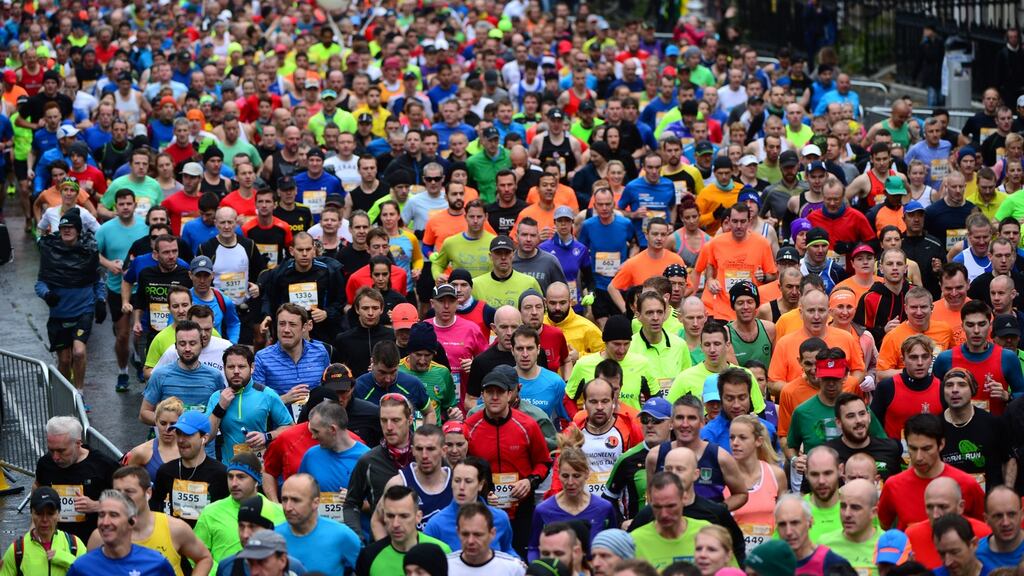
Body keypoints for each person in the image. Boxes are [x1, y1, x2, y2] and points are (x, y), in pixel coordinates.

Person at [465, 364, 553, 557]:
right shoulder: (470, 426)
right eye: (490, 392)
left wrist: (529, 481)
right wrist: (481, 492)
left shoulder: (528, 425)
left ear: (509, 394)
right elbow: (463, 469)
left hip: (521, 506)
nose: (495, 397)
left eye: (500, 392)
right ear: (482, 395)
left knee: (521, 558)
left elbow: (544, 462)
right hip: (484, 507)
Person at [98, 466, 214, 576]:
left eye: (129, 491)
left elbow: (204, 558)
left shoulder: (174, 528)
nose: (122, 498)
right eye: (117, 492)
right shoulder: (102, 536)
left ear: (148, 493)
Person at [878, 414, 986, 530]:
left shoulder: (967, 484)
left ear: (941, 444)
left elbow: (984, 530)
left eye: (926, 449)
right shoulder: (893, 485)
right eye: (913, 448)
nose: (919, 457)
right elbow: (880, 529)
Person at [36, 207, 103, 392]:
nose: (66, 230)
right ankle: (66, 394)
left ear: (78, 230)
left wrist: (101, 300)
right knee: (64, 360)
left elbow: (97, 280)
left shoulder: (89, 250)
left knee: (79, 352)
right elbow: (40, 283)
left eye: (71, 227)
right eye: (63, 227)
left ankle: (79, 394)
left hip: (83, 311)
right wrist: (47, 294)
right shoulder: (50, 251)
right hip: (59, 313)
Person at [645, 394, 748, 511]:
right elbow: (651, 496)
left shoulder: (720, 457)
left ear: (702, 422)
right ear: (671, 422)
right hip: (669, 522)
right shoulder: (655, 456)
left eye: (691, 418)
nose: (685, 424)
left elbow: (741, 494)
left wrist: (717, 512)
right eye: (680, 418)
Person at [527, 435, 617, 561]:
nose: (570, 482)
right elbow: (533, 548)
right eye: (565, 476)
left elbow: (613, 546)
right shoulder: (543, 510)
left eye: (576, 476)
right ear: (558, 474)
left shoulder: (604, 508)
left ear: (587, 474)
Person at [95, 188, 150, 392]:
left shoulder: (145, 227)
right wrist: (109, 264)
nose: (125, 207)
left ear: (135, 205)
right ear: (115, 206)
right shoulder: (105, 229)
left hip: (141, 288)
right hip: (116, 288)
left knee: (140, 333)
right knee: (122, 335)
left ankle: (139, 360)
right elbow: (93, 252)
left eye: (129, 203)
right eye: (121, 204)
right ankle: (123, 371)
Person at [343, 394, 416, 540]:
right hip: (382, 543)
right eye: (383, 420)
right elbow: (351, 504)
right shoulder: (369, 460)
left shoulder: (426, 454)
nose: (389, 427)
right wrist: (357, 537)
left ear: (409, 420)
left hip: (424, 544)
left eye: (395, 420)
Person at [35, 416, 119, 543]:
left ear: (78, 444)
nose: (55, 457)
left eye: (61, 451)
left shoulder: (104, 465)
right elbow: (37, 489)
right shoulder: (45, 464)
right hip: (55, 542)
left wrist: (97, 506)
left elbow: (127, 501)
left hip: (93, 542)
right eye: (51, 450)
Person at [933, 300, 1024, 415]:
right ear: (962, 326)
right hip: (956, 424)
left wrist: (1008, 396)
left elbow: (1021, 393)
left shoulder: (1007, 357)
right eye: (970, 325)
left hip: (996, 425)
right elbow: (933, 396)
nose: (976, 331)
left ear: (990, 325)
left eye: (981, 324)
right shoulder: (945, 358)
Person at [206, 345, 292, 463]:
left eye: (241, 366)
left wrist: (266, 436)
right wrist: (220, 407)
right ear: (224, 368)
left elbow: (291, 427)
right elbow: (206, 437)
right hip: (228, 469)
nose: (236, 371)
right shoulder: (217, 397)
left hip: (260, 469)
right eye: (231, 367)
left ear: (252, 368)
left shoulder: (266, 394)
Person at [66, 490, 176, 576]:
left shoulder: (156, 563)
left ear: (132, 521)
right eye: (101, 515)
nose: (105, 522)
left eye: (114, 515)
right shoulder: (81, 567)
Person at [149, 411, 229, 527]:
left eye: (188, 434)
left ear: (204, 438)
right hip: (174, 536)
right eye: (179, 433)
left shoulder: (221, 474)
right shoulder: (165, 471)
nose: (181, 440)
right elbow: (156, 510)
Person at [725, 414, 787, 556]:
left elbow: (784, 518)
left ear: (758, 441)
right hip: (735, 557)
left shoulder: (776, 475)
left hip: (770, 556)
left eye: (742, 437)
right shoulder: (724, 477)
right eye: (732, 437)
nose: (735, 443)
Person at [252, 304, 331, 414]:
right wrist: (284, 399)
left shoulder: (320, 352)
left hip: (316, 421)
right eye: (282, 324)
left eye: (292, 324)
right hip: (279, 422)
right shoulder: (262, 358)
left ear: (304, 327)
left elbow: (329, 392)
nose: (286, 330)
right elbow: (256, 404)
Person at [356, 485, 451, 575]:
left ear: (418, 517)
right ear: (384, 517)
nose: (395, 524)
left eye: (404, 516)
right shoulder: (369, 556)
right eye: (390, 516)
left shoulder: (442, 552)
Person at [277, 474, 361, 576]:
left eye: (296, 500)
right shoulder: (275, 536)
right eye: (284, 499)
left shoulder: (342, 535)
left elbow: (367, 569)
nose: (288, 508)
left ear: (316, 503)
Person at [939, 368, 1007, 491]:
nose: (955, 390)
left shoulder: (992, 423)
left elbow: (1005, 464)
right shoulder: (935, 427)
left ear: (972, 390)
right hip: (948, 497)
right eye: (949, 385)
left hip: (988, 498)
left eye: (962, 385)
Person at [904, 476, 991, 570]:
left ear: (961, 507)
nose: (935, 515)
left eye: (943, 507)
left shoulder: (985, 534)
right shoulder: (911, 535)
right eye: (930, 507)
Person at [630, 471, 711, 570]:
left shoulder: (705, 532)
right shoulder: (635, 541)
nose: (664, 514)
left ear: (684, 498)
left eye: (671, 506)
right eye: (657, 507)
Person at [0, 487, 87, 576]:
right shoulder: (17, 550)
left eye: (50, 513)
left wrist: (65, 559)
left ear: (58, 513)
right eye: (39, 513)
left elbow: (89, 572)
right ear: (31, 513)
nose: (44, 519)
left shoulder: (74, 545)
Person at [871, 335, 943, 439]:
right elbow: (874, 428)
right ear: (903, 360)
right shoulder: (887, 387)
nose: (920, 363)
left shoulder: (942, 388)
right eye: (913, 357)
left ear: (931, 359)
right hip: (894, 449)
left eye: (925, 357)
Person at [214, 497, 308, 576]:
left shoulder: (294, 568)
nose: (245, 534)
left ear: (269, 529)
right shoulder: (226, 567)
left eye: (252, 527)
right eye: (241, 526)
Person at [876, 287, 955, 380]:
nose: (919, 312)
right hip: (907, 387)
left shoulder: (945, 330)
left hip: (938, 386)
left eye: (923, 307)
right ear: (906, 309)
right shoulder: (892, 336)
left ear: (932, 308)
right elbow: (881, 374)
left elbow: (954, 360)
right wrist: (910, 371)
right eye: (914, 307)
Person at [826, 393, 904, 480]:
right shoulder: (828, 455)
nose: (858, 420)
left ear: (869, 416)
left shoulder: (890, 448)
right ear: (838, 423)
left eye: (862, 414)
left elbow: (898, 484)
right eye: (851, 416)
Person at [773, 493, 853, 574]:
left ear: (810, 522)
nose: (788, 532)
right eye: (782, 524)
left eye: (795, 523)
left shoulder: (832, 563)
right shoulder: (771, 563)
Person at [816, 478, 881, 573]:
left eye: (855, 508)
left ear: (873, 512)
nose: (847, 514)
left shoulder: (888, 545)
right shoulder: (824, 544)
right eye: (843, 506)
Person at [445, 503, 526, 575]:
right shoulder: (445, 567)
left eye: (478, 535)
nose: (470, 541)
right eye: (465, 534)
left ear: (492, 533)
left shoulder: (513, 569)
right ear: (458, 532)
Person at [472, 235, 543, 309]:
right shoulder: (476, 285)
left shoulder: (529, 283)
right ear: (490, 256)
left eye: (507, 253)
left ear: (513, 255)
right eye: (498, 253)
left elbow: (541, 310)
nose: (503, 257)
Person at [977, 486, 1024, 569]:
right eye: (998, 516)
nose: (1006, 523)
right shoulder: (976, 556)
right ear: (986, 519)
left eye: (1011, 514)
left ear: (1022, 514)